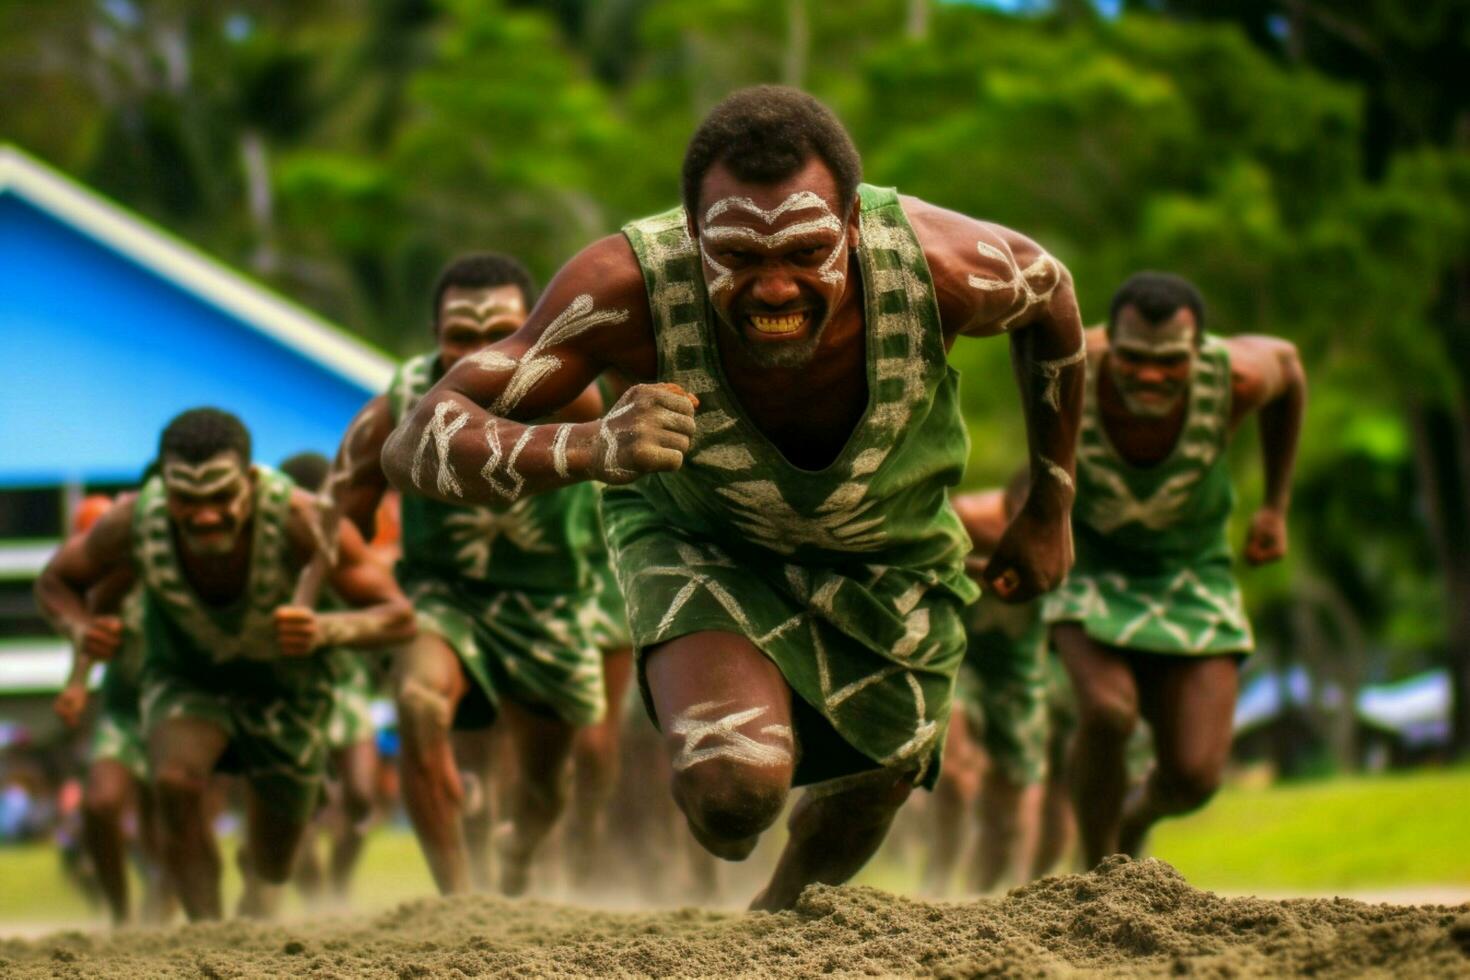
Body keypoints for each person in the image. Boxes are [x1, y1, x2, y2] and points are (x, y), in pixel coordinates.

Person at [381, 86, 1084, 909]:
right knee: (733, 798)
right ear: (691, 236)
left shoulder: (944, 265)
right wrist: (589, 445)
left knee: (875, 781)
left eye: (804, 252)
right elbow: (415, 441)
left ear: (854, 224)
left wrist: (1049, 506)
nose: (776, 289)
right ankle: (733, 809)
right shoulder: (623, 288)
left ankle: (777, 932)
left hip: (889, 547)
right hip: (703, 538)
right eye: (740, 259)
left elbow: (1054, 299)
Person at [35, 408, 414, 920]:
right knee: (174, 780)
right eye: (186, 501)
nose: (204, 515)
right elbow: (56, 582)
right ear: (166, 491)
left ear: (250, 482)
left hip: (287, 692)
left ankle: (261, 889)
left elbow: (397, 616)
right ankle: (206, 932)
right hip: (188, 682)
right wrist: (80, 630)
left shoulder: (300, 519)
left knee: (275, 861)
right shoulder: (135, 522)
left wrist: (328, 629)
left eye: (220, 498)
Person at [324, 253, 607, 896]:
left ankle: (519, 852)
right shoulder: (397, 405)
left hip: (554, 604)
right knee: (419, 702)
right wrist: (375, 591)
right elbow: (336, 517)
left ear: (535, 330)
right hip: (440, 596)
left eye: (498, 333)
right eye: (461, 337)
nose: (478, 353)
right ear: (435, 338)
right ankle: (457, 900)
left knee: (545, 788)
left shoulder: (579, 392)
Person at [1042, 271, 1305, 866]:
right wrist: (1036, 525)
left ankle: (1135, 822)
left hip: (1193, 573)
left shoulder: (1236, 377)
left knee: (1194, 778)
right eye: (1133, 358)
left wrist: (1275, 505)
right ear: (1112, 341)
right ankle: (1097, 865)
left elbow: (1289, 367)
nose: (1151, 375)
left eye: (1171, 362)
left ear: (1199, 351)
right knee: (1109, 713)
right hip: (1092, 569)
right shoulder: (1072, 363)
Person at [51, 494, 173, 925]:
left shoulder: (166, 565)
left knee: (165, 823)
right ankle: (120, 915)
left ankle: (166, 914)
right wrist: (78, 684)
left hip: (176, 713)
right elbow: (93, 633)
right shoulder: (107, 586)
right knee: (100, 804)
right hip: (121, 709)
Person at [277, 450, 383, 907]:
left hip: (344, 681)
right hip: (284, 691)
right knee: (295, 808)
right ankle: (317, 906)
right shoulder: (269, 550)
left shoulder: (347, 541)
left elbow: (383, 605)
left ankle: (339, 884)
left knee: (361, 794)